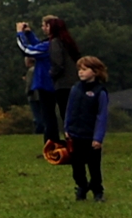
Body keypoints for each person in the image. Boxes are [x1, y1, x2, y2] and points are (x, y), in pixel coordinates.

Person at [64, 56, 109, 202]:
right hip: (75, 134)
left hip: (90, 136)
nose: (81, 73)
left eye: (84, 69)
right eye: (79, 70)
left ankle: (98, 191)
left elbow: (101, 116)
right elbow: (69, 109)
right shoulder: (75, 89)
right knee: (77, 166)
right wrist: (67, 127)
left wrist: (98, 137)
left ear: (95, 72)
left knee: (94, 166)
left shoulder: (100, 92)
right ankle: (82, 186)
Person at [16, 21, 57, 141]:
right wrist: (29, 34)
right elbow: (39, 45)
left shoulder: (49, 46)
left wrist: (20, 34)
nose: (42, 28)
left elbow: (27, 50)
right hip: (50, 83)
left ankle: (51, 145)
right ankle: (52, 143)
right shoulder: (54, 43)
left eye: (45, 25)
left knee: (48, 117)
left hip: (46, 83)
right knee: (49, 116)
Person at [43, 16, 82, 135]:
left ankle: (71, 142)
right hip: (74, 82)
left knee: (65, 113)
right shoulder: (68, 42)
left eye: (47, 26)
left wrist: (51, 74)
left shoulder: (55, 42)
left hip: (63, 84)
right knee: (74, 113)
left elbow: (58, 64)